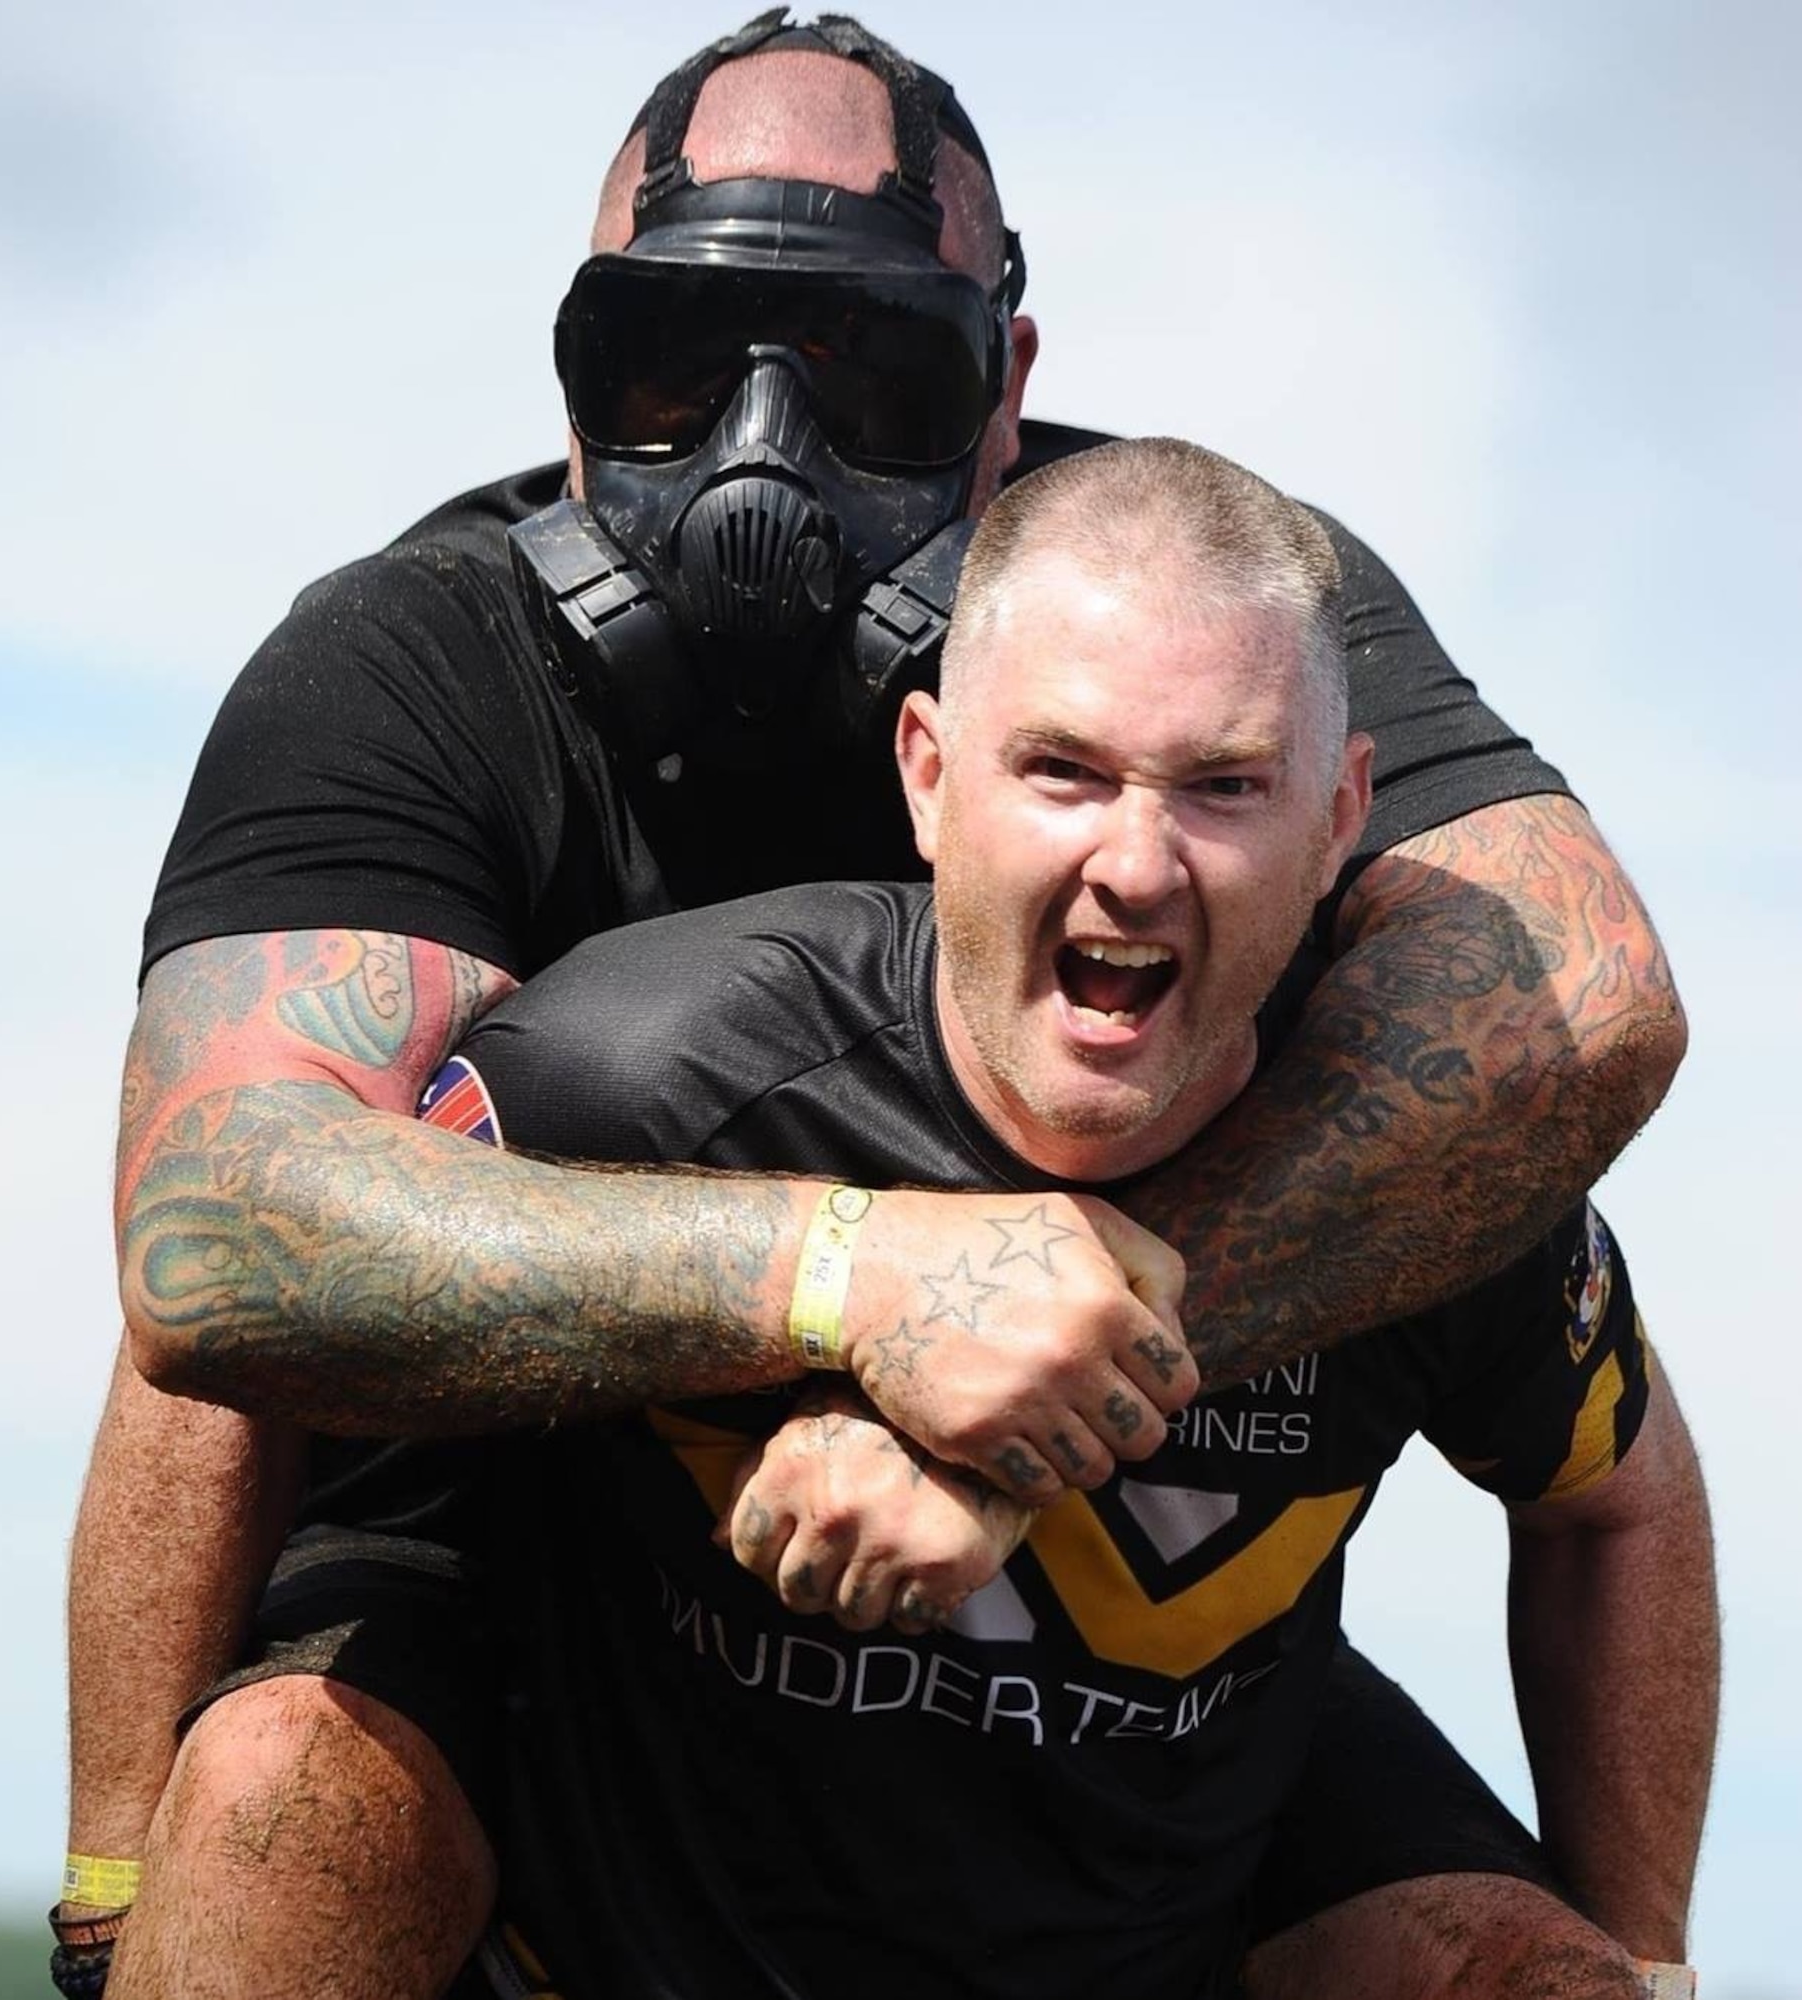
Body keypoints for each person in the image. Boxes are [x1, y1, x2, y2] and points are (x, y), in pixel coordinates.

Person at [60, 12, 1687, 1998]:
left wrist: (1041, 1392)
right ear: (932, 770)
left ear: (1006, 381)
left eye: (870, 367)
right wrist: (865, 1284)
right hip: (549, 1565)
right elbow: (224, 1242)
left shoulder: (1181, 606)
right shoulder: (417, 667)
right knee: (283, 1808)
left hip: (1142, 1688)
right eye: (670, 359)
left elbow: (1576, 1005)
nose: (765, 455)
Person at [284, 435, 1710, 1997]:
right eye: (1064, 772)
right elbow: (248, 1324)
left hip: (1167, 1935)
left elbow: (1621, 1508)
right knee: (272, 1787)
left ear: (1342, 818)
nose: (1137, 864)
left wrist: (1645, 1952)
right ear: (926, 774)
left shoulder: (1423, 1161)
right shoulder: (639, 1072)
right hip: (611, 1950)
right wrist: (111, 1871)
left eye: (1225, 786)